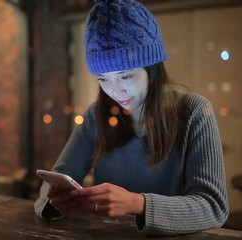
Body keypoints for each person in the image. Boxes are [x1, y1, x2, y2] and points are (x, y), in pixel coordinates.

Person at [34, 0, 229, 236]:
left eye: (125, 76)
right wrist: (54, 201)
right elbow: (56, 179)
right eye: (103, 79)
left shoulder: (194, 112)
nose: (115, 91)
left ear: (152, 68)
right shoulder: (98, 115)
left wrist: (138, 203)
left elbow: (213, 206)